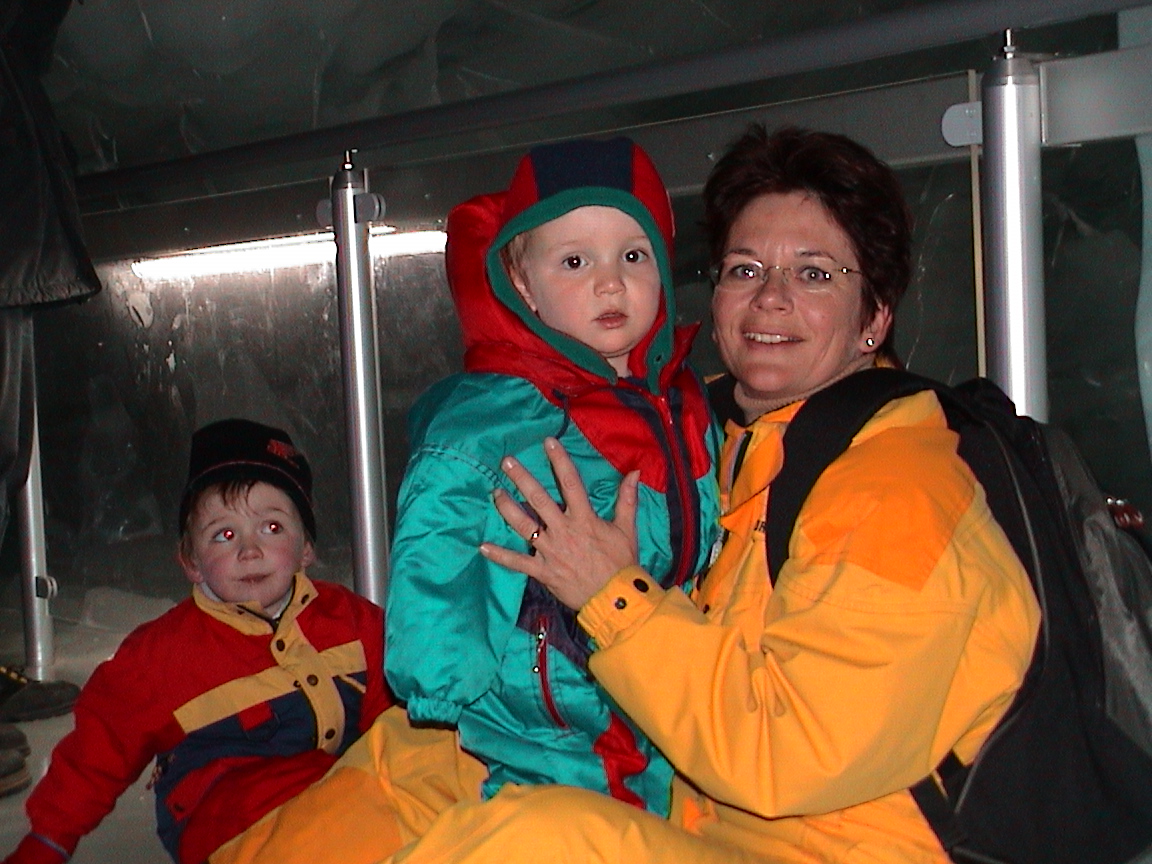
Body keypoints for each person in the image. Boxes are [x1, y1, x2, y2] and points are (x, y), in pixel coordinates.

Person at [433, 124, 1040, 863]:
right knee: (415, 783)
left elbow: (788, 749)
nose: (771, 299)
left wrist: (611, 596)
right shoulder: (708, 437)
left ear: (875, 317)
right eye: (745, 269)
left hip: (837, 851)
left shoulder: (902, 493)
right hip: (691, 822)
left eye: (814, 274)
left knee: (526, 841)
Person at [384, 136, 720, 810]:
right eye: (574, 260)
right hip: (552, 724)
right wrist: (438, 677)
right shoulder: (495, 414)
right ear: (522, 284)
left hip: (668, 701)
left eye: (634, 255)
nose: (610, 282)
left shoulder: (684, 401)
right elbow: (439, 528)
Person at [2, 419, 392, 864]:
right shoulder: (161, 656)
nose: (250, 550)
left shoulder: (349, 619)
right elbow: (97, 751)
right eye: (225, 535)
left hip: (342, 797)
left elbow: (391, 711)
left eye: (272, 527)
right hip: (227, 815)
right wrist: (49, 840)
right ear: (191, 561)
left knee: (418, 773)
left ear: (306, 547)